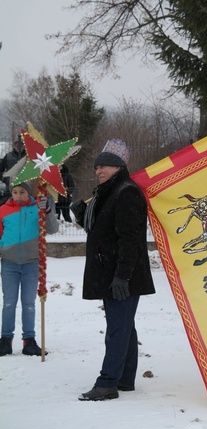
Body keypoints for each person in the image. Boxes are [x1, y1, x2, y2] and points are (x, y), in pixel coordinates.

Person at [70, 139, 155, 401]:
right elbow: (101, 230)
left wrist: (123, 276)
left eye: (104, 166)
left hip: (122, 275)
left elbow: (130, 239)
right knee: (123, 325)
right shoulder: (107, 192)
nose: (98, 171)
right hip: (112, 272)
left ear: (118, 167)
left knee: (117, 327)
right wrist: (83, 213)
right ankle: (125, 379)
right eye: (96, 167)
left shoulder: (126, 191)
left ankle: (107, 383)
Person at [0, 182, 59, 357]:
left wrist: (47, 211)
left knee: (29, 304)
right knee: (9, 303)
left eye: (22, 192)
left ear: (29, 193)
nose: (18, 195)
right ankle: (5, 340)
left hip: (32, 263)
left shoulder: (37, 208)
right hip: (9, 263)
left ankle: (29, 341)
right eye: (15, 192)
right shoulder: (3, 210)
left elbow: (52, 229)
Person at [0, 140, 26, 205]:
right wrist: (5, 179)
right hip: (11, 183)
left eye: (21, 147)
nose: (19, 148)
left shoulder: (27, 157)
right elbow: (1, 169)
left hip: (25, 182)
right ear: (14, 147)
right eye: (17, 147)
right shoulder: (8, 156)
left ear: (24, 147)